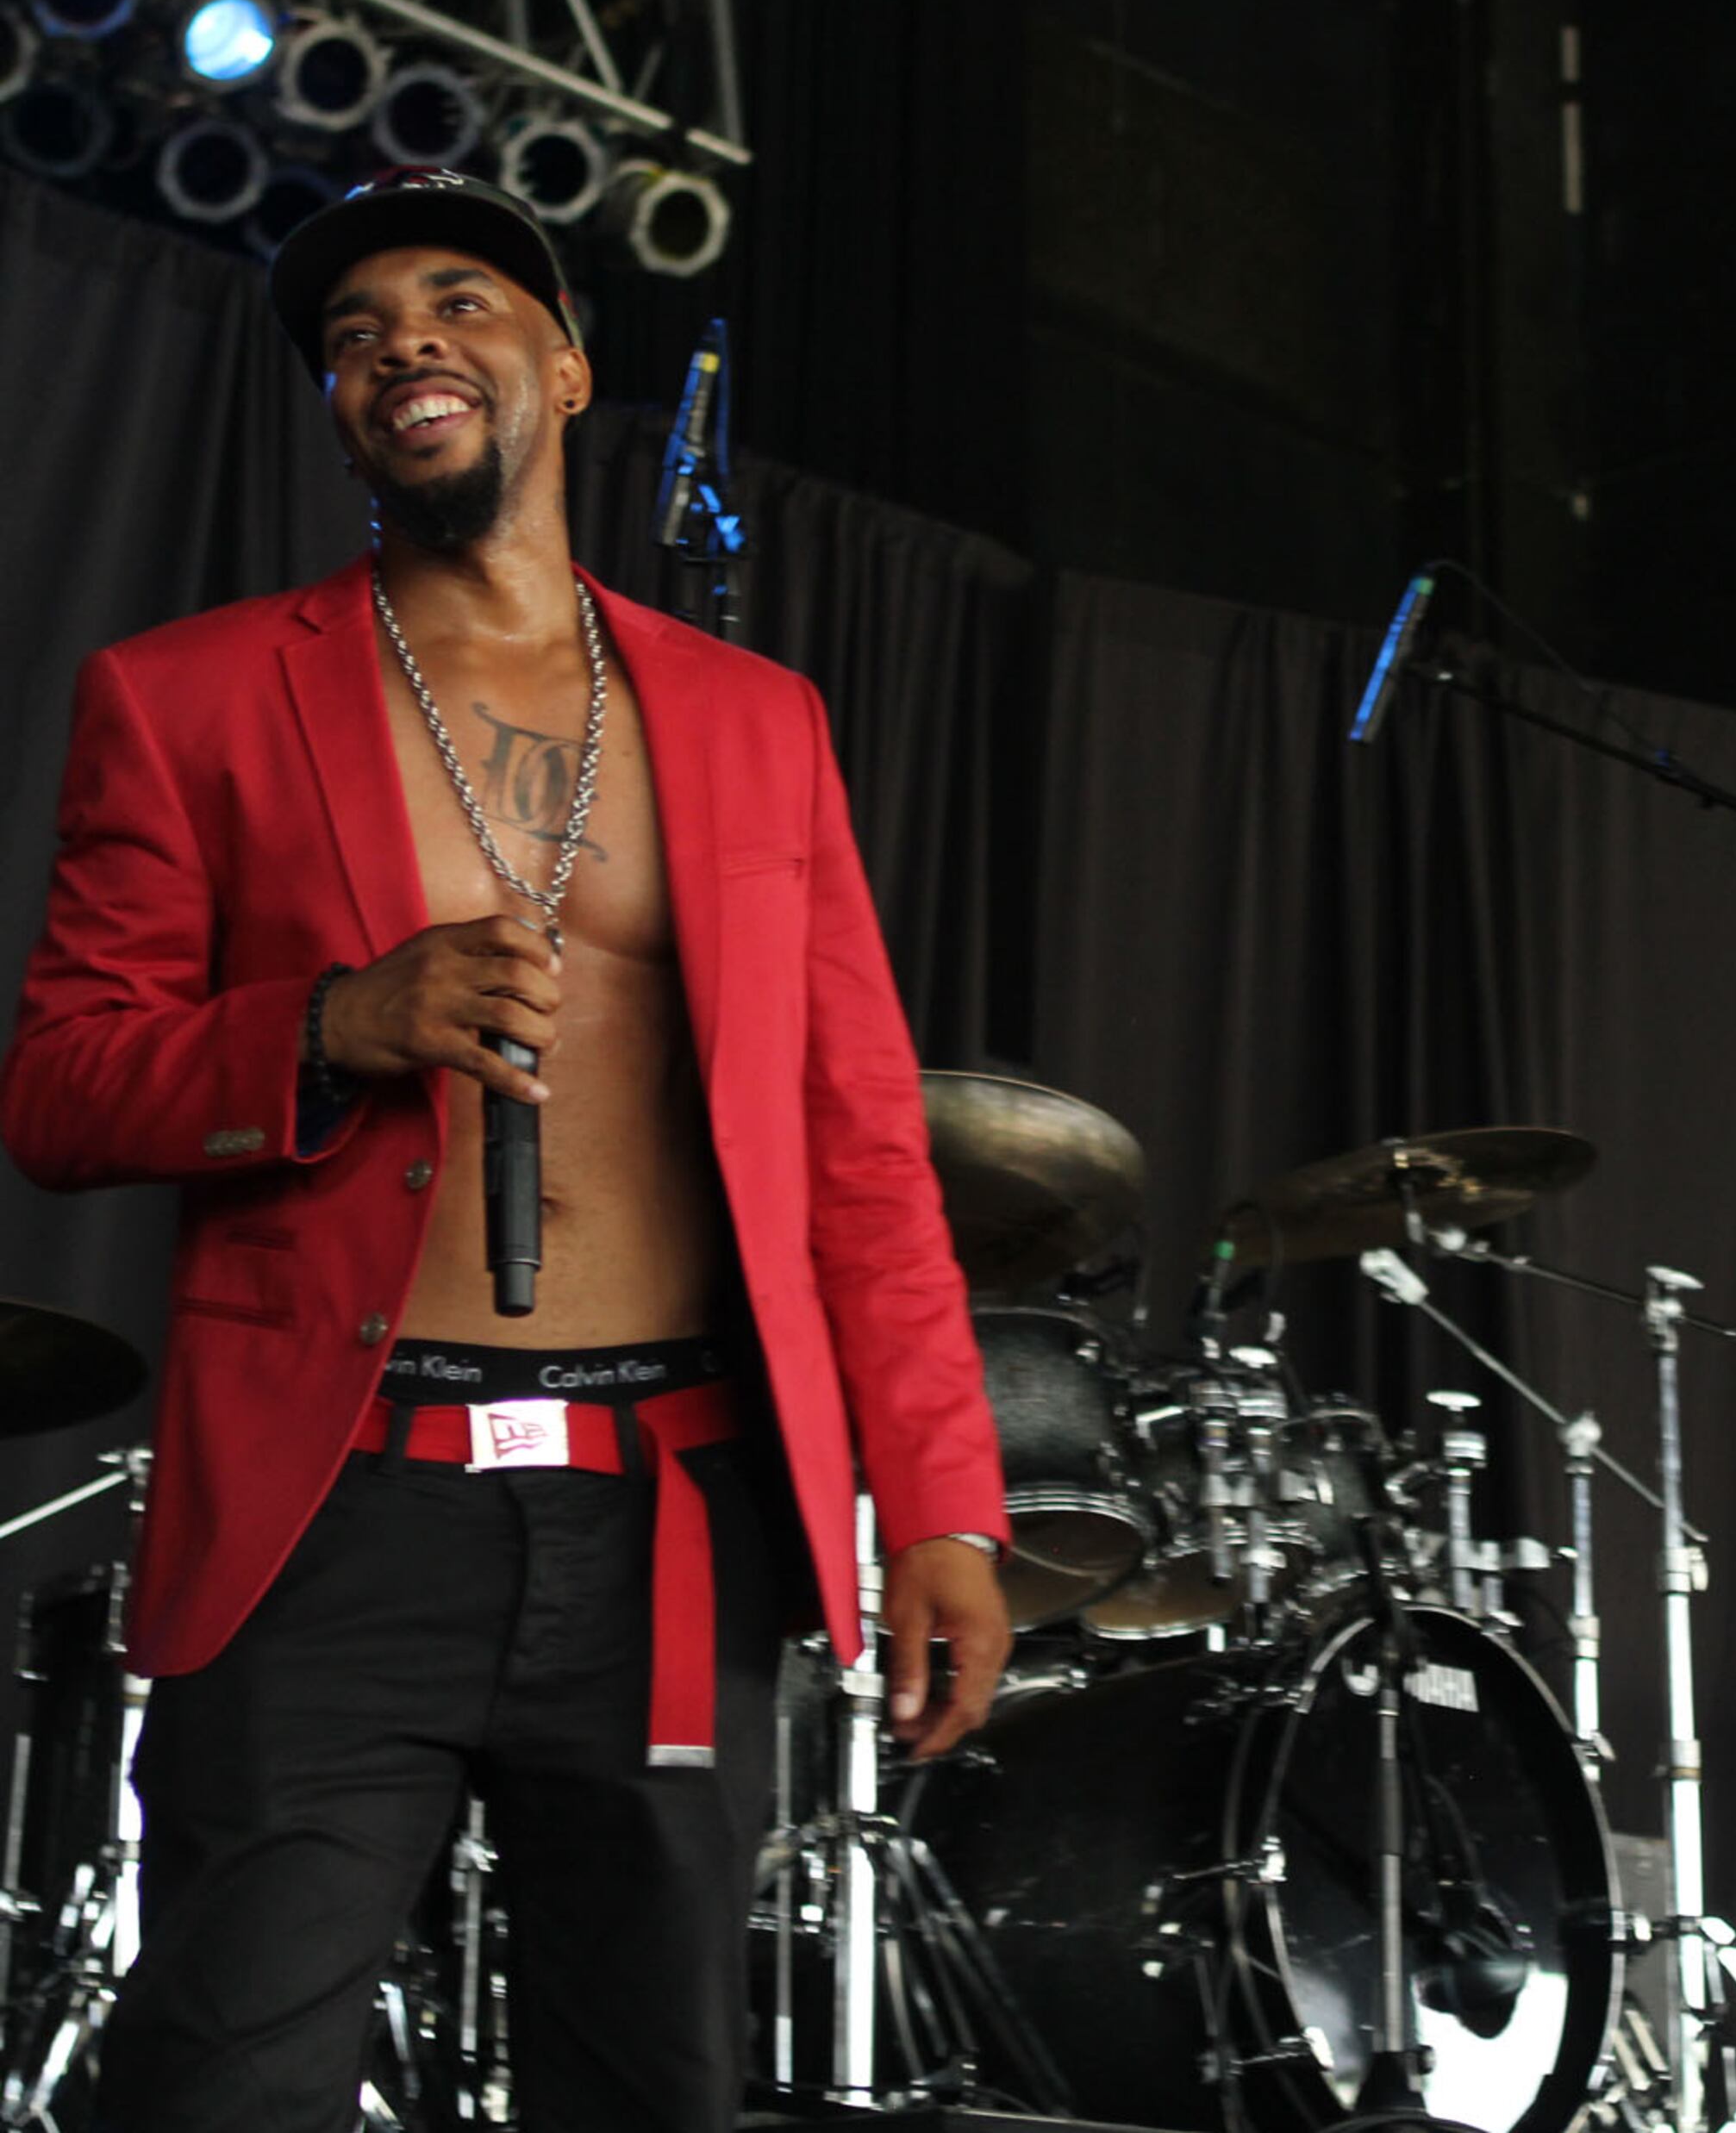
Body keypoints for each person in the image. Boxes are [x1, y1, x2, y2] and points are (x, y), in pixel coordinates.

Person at [0, 168, 1012, 2132]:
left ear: (563, 361)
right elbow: (58, 1085)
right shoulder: (191, 694)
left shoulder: (752, 718)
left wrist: (946, 1503)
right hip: (339, 1503)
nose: (403, 346)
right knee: (218, 2083)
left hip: (672, 1510)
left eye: (457, 301)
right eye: (357, 333)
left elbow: (860, 1144)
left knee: (652, 2090)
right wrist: (325, 1022)